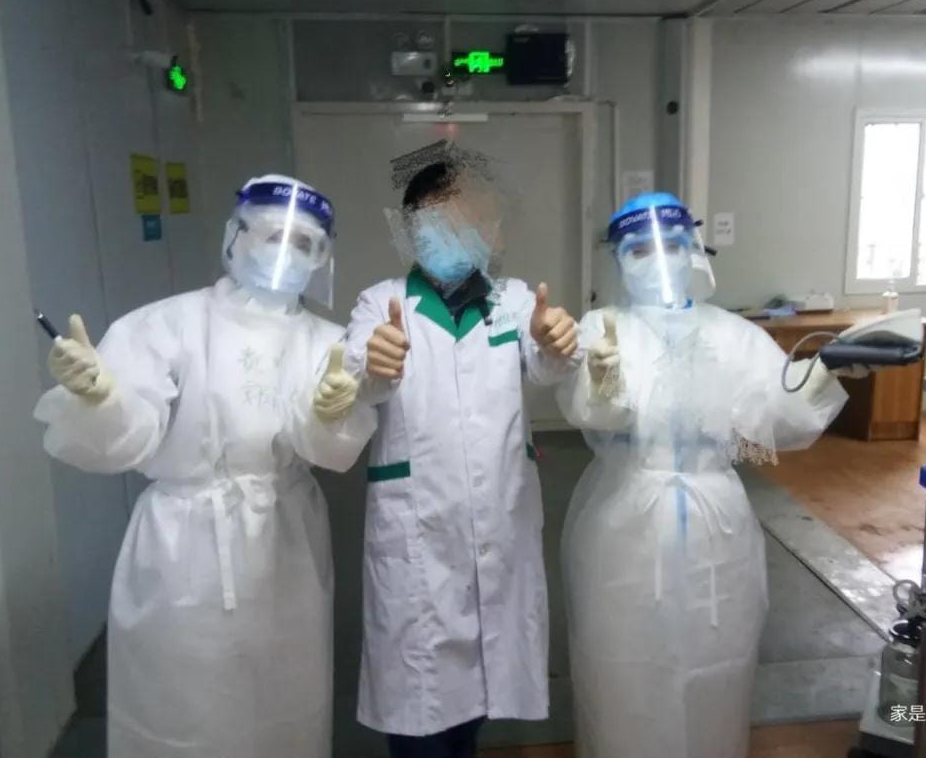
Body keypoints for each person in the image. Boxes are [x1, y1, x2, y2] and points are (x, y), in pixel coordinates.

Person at [34, 174, 375, 758]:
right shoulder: (165, 324)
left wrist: (327, 414)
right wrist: (101, 398)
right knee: (182, 703)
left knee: (285, 699)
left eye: (303, 243)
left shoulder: (328, 341)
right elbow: (130, 437)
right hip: (183, 543)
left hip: (284, 540)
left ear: (322, 257)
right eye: (272, 235)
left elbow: (326, 447)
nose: (284, 253)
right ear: (235, 237)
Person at [556, 192, 850, 758]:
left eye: (670, 245)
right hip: (625, 515)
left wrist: (825, 373)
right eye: (638, 250)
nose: (657, 260)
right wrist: (606, 383)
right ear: (617, 260)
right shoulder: (604, 326)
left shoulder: (732, 334)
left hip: (719, 524)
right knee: (620, 667)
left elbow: (778, 417)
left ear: (694, 250)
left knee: (719, 664)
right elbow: (592, 413)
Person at [343, 158, 580, 758]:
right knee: (419, 705)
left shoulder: (512, 300)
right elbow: (356, 374)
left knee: (475, 693)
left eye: (469, 220)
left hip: (498, 524)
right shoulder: (381, 303)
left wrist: (556, 340)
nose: (455, 233)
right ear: (410, 231)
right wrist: (375, 362)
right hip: (417, 534)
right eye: (438, 221)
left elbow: (546, 361)